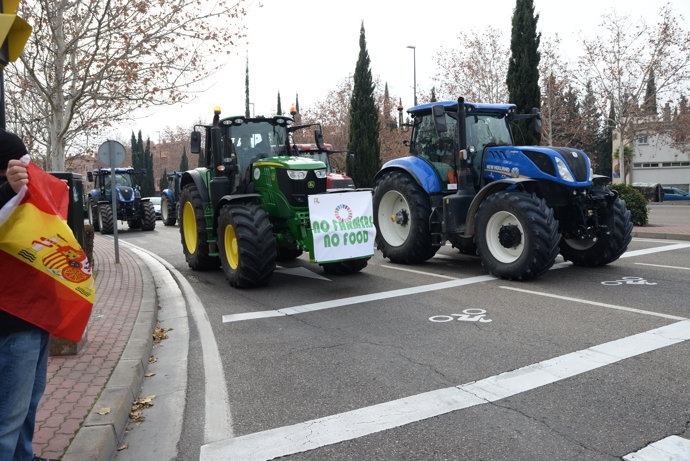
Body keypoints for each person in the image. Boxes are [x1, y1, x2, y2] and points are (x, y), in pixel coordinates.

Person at [0, 128, 57, 461]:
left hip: (35, 318)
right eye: (19, 162)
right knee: (7, 414)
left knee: (28, 403)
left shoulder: (22, 195)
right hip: (11, 323)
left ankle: (24, 457)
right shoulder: (8, 193)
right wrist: (9, 188)